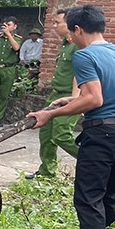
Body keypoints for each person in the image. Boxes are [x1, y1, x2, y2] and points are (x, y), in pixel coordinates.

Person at [28, 5, 115, 229]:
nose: (70, 38)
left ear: (77, 29)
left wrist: (50, 114)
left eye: (70, 31)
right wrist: (71, 102)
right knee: (108, 196)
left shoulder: (84, 55)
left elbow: (95, 99)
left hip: (102, 134)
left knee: (88, 200)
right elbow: (107, 95)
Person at [27, 9, 79, 180]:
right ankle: (47, 170)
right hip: (55, 95)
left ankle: (95, 162)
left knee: (62, 134)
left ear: (69, 24)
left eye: (57, 22)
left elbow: (78, 75)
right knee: (46, 133)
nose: (54, 26)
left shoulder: (77, 46)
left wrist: (74, 100)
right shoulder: (65, 44)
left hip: (70, 96)